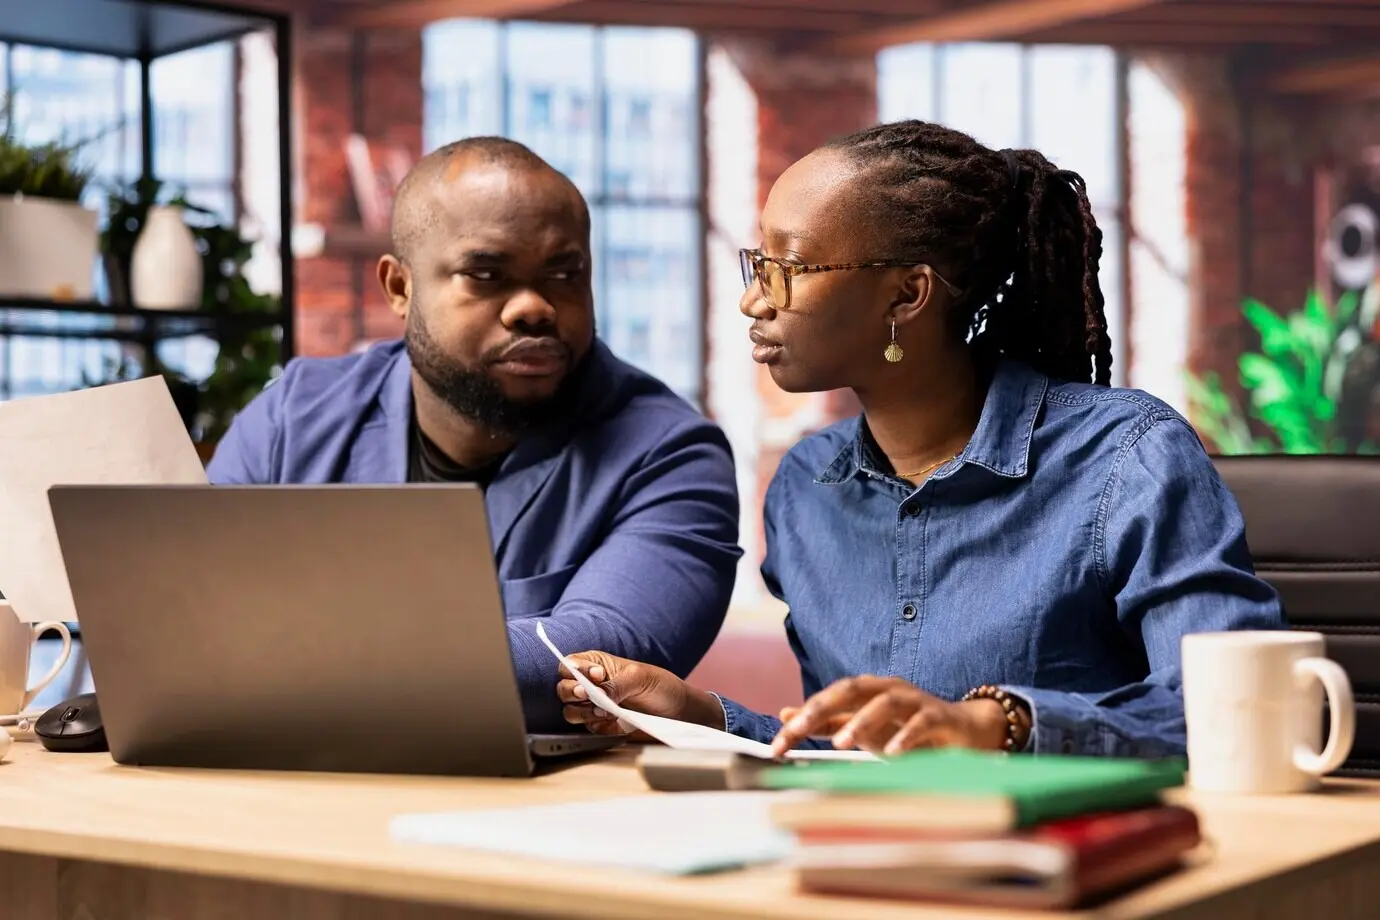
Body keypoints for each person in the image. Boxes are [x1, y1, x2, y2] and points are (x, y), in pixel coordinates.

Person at [556, 120, 1285, 759]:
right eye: (759, 264)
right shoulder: (808, 487)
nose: (755, 299)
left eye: (790, 268)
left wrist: (996, 725)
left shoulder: (1128, 458)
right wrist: (699, 715)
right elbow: (853, 755)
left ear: (907, 295)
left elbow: (1237, 716)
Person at [207, 137, 742, 732]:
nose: (535, 308)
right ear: (399, 289)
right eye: (487, 274)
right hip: (279, 790)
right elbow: (194, 612)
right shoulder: (294, 418)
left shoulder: (669, 453)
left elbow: (595, 660)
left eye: (565, 274)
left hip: (532, 812)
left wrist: (280, 654)